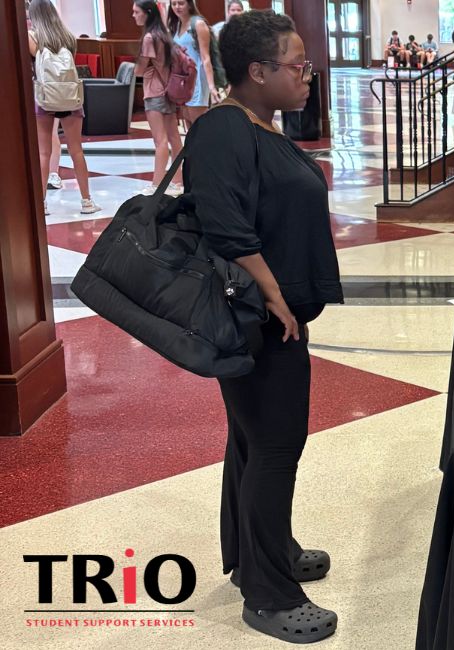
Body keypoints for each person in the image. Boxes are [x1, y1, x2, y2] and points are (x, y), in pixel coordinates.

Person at [185, 9, 343, 643]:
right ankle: (270, 596)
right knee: (276, 447)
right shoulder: (223, 129)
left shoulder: (257, 125)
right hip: (256, 318)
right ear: (257, 71)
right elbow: (225, 226)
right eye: (297, 64)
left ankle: (259, 555)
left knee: (253, 441)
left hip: (268, 315)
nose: (309, 74)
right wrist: (275, 296)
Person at [27, 0, 100, 214]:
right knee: (76, 149)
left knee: (43, 153)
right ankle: (87, 201)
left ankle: (42, 204)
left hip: (45, 97)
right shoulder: (68, 37)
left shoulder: (32, 37)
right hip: (70, 96)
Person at [133, 0, 183, 195]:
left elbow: (140, 70)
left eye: (136, 12)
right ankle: (177, 180)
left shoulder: (148, 38)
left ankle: (157, 183)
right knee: (174, 138)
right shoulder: (164, 36)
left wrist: (134, 67)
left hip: (154, 92)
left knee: (159, 140)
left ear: (147, 13)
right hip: (169, 92)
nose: (134, 15)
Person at [168, 0, 217, 125]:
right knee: (188, 121)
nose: (177, 7)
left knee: (200, 125)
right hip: (182, 80)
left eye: (181, 3)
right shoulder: (176, 25)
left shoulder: (198, 24)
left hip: (197, 79)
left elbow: (206, 57)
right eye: (174, 4)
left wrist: (211, 86)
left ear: (189, 4)